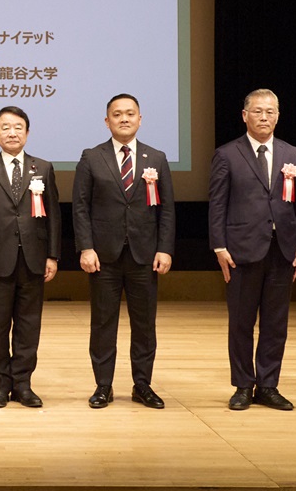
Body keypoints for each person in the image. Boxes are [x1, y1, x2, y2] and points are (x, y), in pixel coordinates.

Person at [208, 89, 296, 411]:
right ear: (244, 115)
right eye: (257, 111)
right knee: (241, 322)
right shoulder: (227, 154)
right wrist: (219, 246)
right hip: (240, 250)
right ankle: (242, 385)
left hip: (282, 250)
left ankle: (268, 385)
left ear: (278, 116)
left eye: (270, 111)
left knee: (275, 323)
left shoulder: (292, 153)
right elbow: (217, 204)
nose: (264, 117)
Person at [73, 93, 175, 409]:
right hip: (104, 256)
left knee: (144, 324)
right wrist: (86, 248)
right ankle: (103, 385)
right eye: (117, 114)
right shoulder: (92, 157)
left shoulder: (155, 158)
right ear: (107, 121)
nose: (124, 119)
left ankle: (142, 384)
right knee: (104, 323)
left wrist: (165, 249)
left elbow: (168, 210)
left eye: (130, 113)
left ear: (140, 119)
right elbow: (80, 207)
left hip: (145, 255)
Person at [0, 106, 61, 408]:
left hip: (34, 258)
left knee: (28, 324)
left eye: (18, 127)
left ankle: (22, 384)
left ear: (27, 132)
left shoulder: (43, 168)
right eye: (5, 127)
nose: (12, 132)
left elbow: (54, 217)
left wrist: (52, 255)